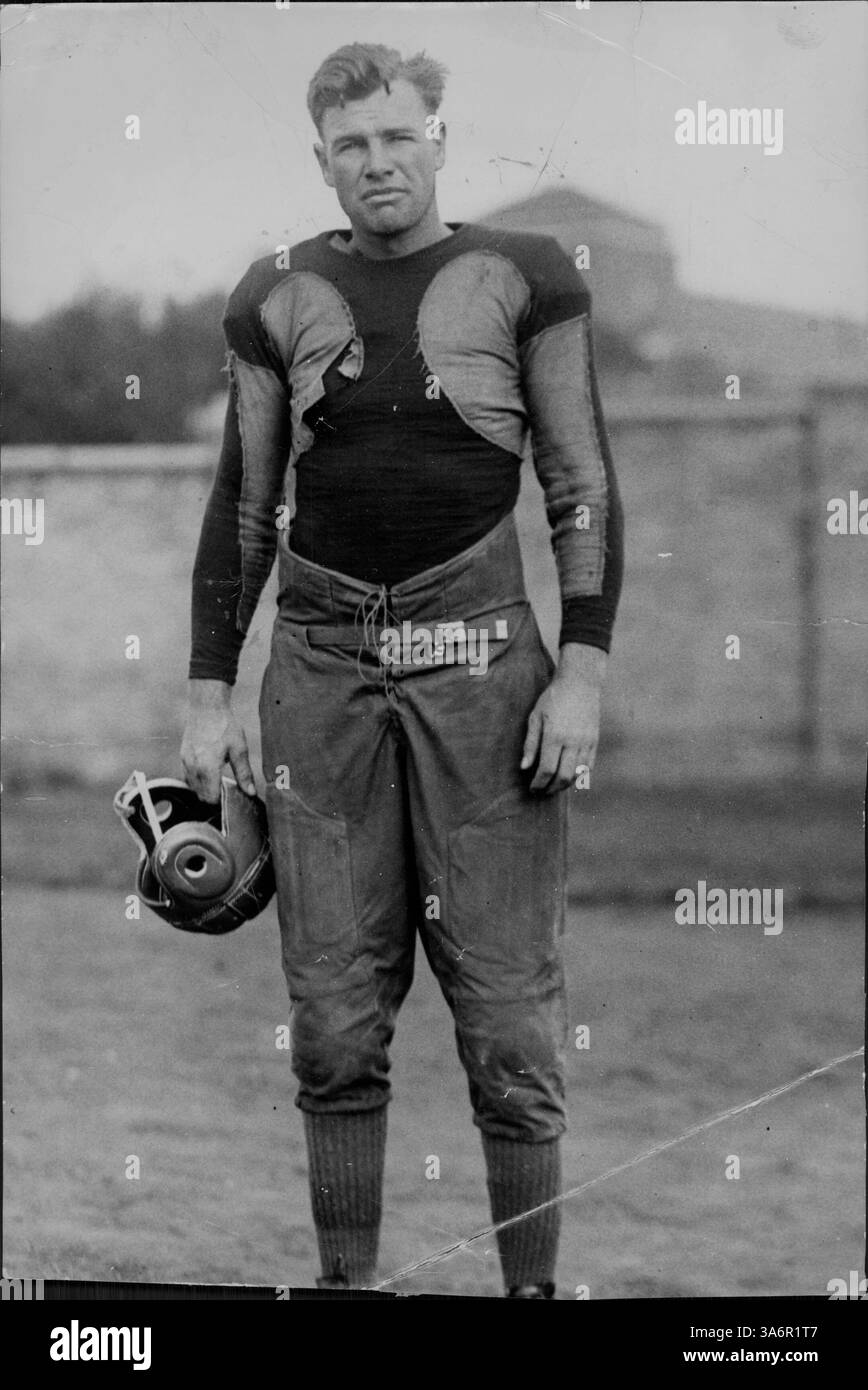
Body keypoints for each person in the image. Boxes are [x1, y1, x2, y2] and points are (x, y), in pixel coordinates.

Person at [182, 42, 623, 1299]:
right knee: (330, 1018)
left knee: (508, 1023)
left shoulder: (523, 276)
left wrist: (580, 673)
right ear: (319, 159)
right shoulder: (276, 293)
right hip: (319, 670)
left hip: (485, 664)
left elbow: (582, 487)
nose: (377, 163)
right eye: (349, 146)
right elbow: (244, 507)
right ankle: (345, 1287)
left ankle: (528, 1291)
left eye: (397, 136)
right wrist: (209, 690)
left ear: (439, 136)